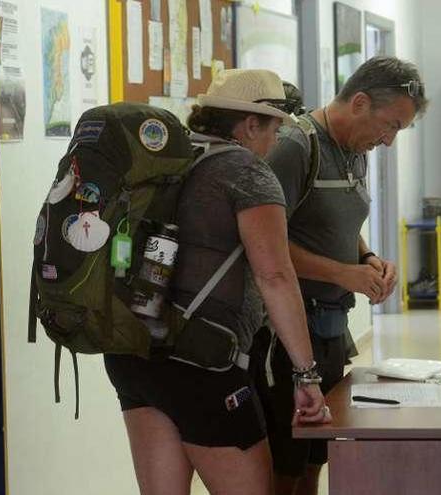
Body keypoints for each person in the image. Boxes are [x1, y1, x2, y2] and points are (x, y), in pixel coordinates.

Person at [103, 69, 330, 495]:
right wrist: (306, 374)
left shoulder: (166, 160)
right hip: (201, 363)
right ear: (250, 124)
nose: (277, 139)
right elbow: (275, 276)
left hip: (133, 347)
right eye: (275, 127)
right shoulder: (247, 173)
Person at [251, 56, 429, 495]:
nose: (388, 141)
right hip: (286, 333)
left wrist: (367, 258)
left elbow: (340, 225)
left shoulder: (354, 151)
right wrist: (341, 272)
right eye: (389, 126)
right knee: (286, 461)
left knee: (318, 452)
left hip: (330, 326)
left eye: (398, 132)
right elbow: (262, 246)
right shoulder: (295, 147)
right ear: (360, 103)